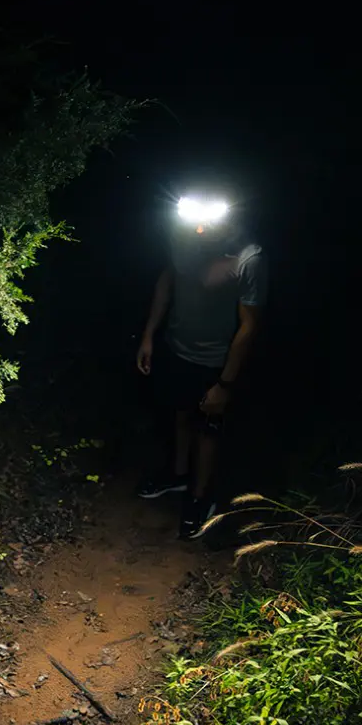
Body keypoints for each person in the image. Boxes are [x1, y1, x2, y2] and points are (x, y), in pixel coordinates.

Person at [135, 190, 266, 539]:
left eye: (213, 217)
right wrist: (149, 335)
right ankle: (178, 476)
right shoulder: (182, 239)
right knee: (180, 412)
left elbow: (249, 325)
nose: (203, 225)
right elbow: (168, 280)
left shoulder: (249, 258)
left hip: (216, 361)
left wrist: (225, 384)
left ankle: (199, 498)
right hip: (178, 348)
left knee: (208, 429)